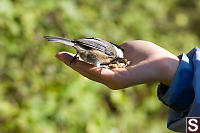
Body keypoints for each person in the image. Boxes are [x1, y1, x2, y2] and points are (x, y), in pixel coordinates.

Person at [56, 40, 200, 132]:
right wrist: (168, 67)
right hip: (86, 47)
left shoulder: (115, 54)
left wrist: (168, 68)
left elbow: (193, 124)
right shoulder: (112, 51)